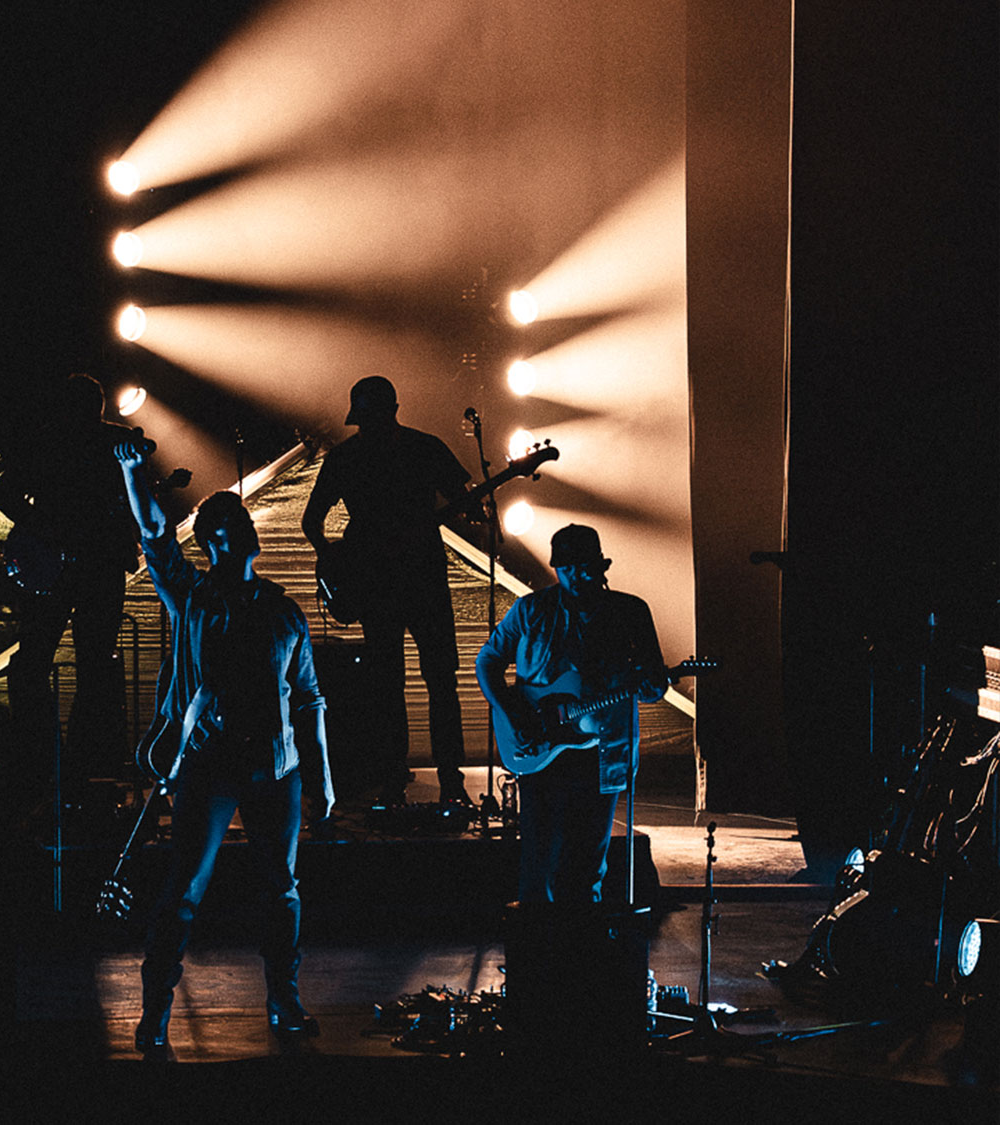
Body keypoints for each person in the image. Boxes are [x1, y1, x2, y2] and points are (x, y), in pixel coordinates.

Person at [114, 437, 334, 1062]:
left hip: (275, 769)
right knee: (185, 887)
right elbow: (155, 535)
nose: (242, 531)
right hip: (209, 768)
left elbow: (310, 698)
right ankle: (156, 1009)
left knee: (282, 889)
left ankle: (284, 1001)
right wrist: (134, 473)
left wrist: (323, 778)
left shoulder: (285, 613)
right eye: (228, 526)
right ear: (215, 541)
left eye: (240, 523)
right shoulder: (191, 597)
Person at [301, 375, 471, 805]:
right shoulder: (424, 447)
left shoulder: (347, 457)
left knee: (395, 684)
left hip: (381, 582)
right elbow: (465, 502)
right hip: (418, 579)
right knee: (434, 682)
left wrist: (332, 557)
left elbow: (311, 521)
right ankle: (444, 781)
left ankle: (399, 779)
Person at [475, 524, 667, 903]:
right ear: (556, 569)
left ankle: (581, 935)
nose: (576, 576)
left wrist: (651, 685)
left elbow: (654, 685)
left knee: (587, 864)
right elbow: (488, 661)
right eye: (566, 568)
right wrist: (512, 714)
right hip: (541, 747)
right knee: (538, 859)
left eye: (584, 567)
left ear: (602, 565)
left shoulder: (630, 612)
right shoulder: (531, 609)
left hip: (604, 751)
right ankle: (538, 937)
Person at [0, 373, 139, 787]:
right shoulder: (111, 439)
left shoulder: (43, 440)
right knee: (92, 664)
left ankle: (42, 759)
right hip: (95, 564)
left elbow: (7, 496)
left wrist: (42, 528)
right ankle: (81, 762)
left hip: (61, 566)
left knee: (39, 662)